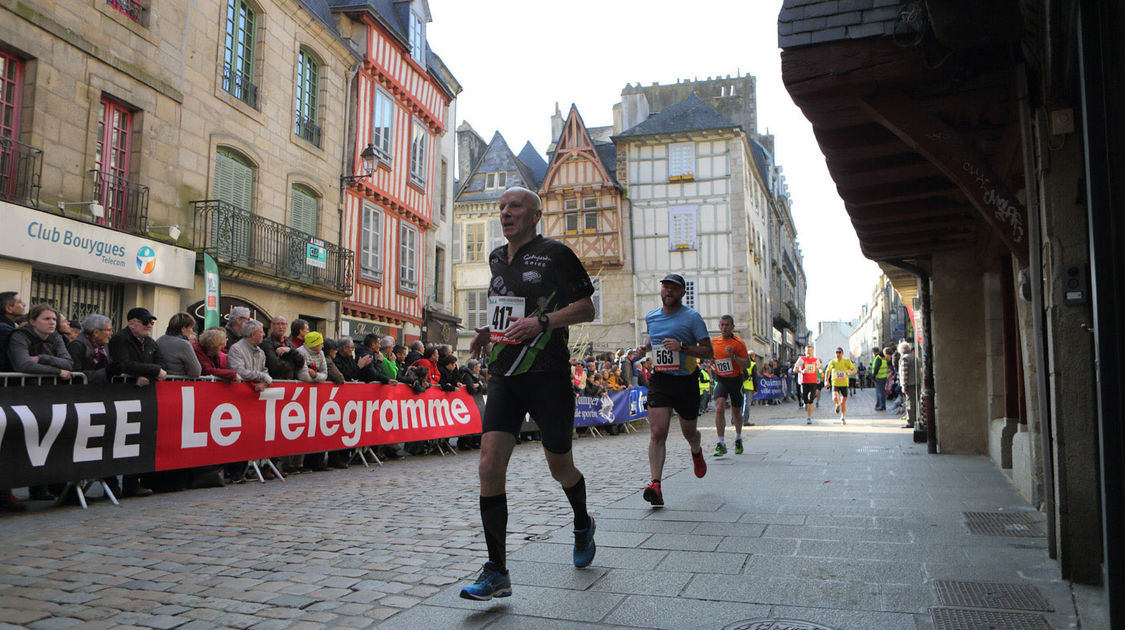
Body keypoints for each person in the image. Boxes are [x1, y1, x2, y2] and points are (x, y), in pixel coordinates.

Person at [460, 186, 596, 601]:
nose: (505, 213)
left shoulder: (556, 254)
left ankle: (582, 521)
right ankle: (497, 570)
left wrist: (543, 322)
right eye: (501, 208)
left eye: (514, 206)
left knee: (560, 467)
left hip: (547, 373)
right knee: (487, 466)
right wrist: (489, 332)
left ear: (535, 215)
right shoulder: (497, 257)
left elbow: (587, 308)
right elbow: (507, 306)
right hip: (504, 373)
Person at [634, 273, 713, 508]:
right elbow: (654, 342)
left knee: (690, 431)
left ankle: (696, 450)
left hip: (686, 380)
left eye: (673, 288)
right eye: (665, 287)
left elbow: (708, 351)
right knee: (658, 432)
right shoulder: (652, 317)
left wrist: (683, 347)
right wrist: (643, 348)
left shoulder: (693, 318)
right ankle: (655, 485)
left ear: (682, 292)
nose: (668, 291)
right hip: (660, 380)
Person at [710, 315, 752, 456]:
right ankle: (721, 442)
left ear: (732, 327)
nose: (724, 328)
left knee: (736, 411)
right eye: (722, 325)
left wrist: (733, 356)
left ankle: (738, 438)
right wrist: (711, 361)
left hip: (735, 379)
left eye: (727, 325)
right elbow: (711, 358)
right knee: (720, 406)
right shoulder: (714, 342)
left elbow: (746, 363)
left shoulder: (738, 343)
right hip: (721, 379)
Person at [6, 304, 75, 378]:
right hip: (21, 385)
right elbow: (23, 365)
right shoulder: (20, 336)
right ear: (32, 322)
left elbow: (68, 363)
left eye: (54, 319)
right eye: (47, 319)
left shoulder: (56, 337)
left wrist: (41, 358)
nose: (52, 322)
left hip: (50, 385)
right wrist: (59, 371)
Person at [108, 308, 167, 387]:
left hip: (146, 390)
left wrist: (147, 377)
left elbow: (162, 364)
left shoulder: (150, 342)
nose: (149, 326)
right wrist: (154, 370)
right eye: (145, 322)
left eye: (151, 323)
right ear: (132, 324)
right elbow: (124, 364)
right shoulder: (120, 339)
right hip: (122, 389)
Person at [69, 314, 119, 383]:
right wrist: (106, 372)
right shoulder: (77, 345)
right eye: (108, 330)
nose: (111, 333)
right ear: (96, 332)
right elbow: (76, 375)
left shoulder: (104, 345)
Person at [226, 320, 273, 391]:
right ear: (253, 335)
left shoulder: (261, 352)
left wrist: (265, 383)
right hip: (237, 393)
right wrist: (262, 376)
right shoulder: (236, 349)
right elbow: (238, 371)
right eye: (261, 332)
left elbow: (264, 371)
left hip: (254, 396)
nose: (263, 334)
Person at [157, 312, 202, 378]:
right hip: (178, 383)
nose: (191, 330)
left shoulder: (159, 340)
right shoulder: (184, 344)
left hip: (160, 383)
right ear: (183, 329)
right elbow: (196, 372)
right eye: (190, 327)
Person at [261, 315, 301, 381]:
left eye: (283, 324)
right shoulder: (266, 343)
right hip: (274, 382)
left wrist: (290, 351)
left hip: (290, 383)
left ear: (287, 326)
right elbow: (275, 365)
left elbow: (300, 362)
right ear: (272, 326)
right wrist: (293, 364)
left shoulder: (290, 344)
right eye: (277, 324)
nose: (280, 327)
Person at [825, 347, 857, 424]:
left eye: (839, 352)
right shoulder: (832, 362)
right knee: (835, 398)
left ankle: (843, 416)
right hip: (835, 383)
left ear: (842, 353)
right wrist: (826, 381)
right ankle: (837, 404)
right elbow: (828, 371)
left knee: (843, 402)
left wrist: (851, 372)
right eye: (836, 352)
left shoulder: (847, 361)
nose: (838, 354)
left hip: (844, 384)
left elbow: (855, 370)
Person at [793, 345, 822, 425]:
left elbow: (820, 368)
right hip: (804, 382)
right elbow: (794, 369)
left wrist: (821, 372)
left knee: (811, 400)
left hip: (813, 382)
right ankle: (805, 403)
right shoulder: (801, 359)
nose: (809, 352)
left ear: (813, 351)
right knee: (805, 399)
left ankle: (809, 417)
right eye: (807, 350)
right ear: (805, 352)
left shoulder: (816, 360)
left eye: (810, 350)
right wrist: (801, 371)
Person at [0, 291, 28, 372]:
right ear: (9, 309)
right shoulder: (4, 330)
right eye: (19, 302)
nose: (24, 304)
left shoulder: (9, 327)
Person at [898, 342, 918, 428]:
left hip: (909, 383)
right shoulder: (914, 357)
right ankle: (915, 419)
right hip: (916, 382)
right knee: (915, 402)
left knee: (910, 403)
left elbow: (904, 373)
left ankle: (910, 422)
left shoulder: (905, 359)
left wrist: (903, 385)